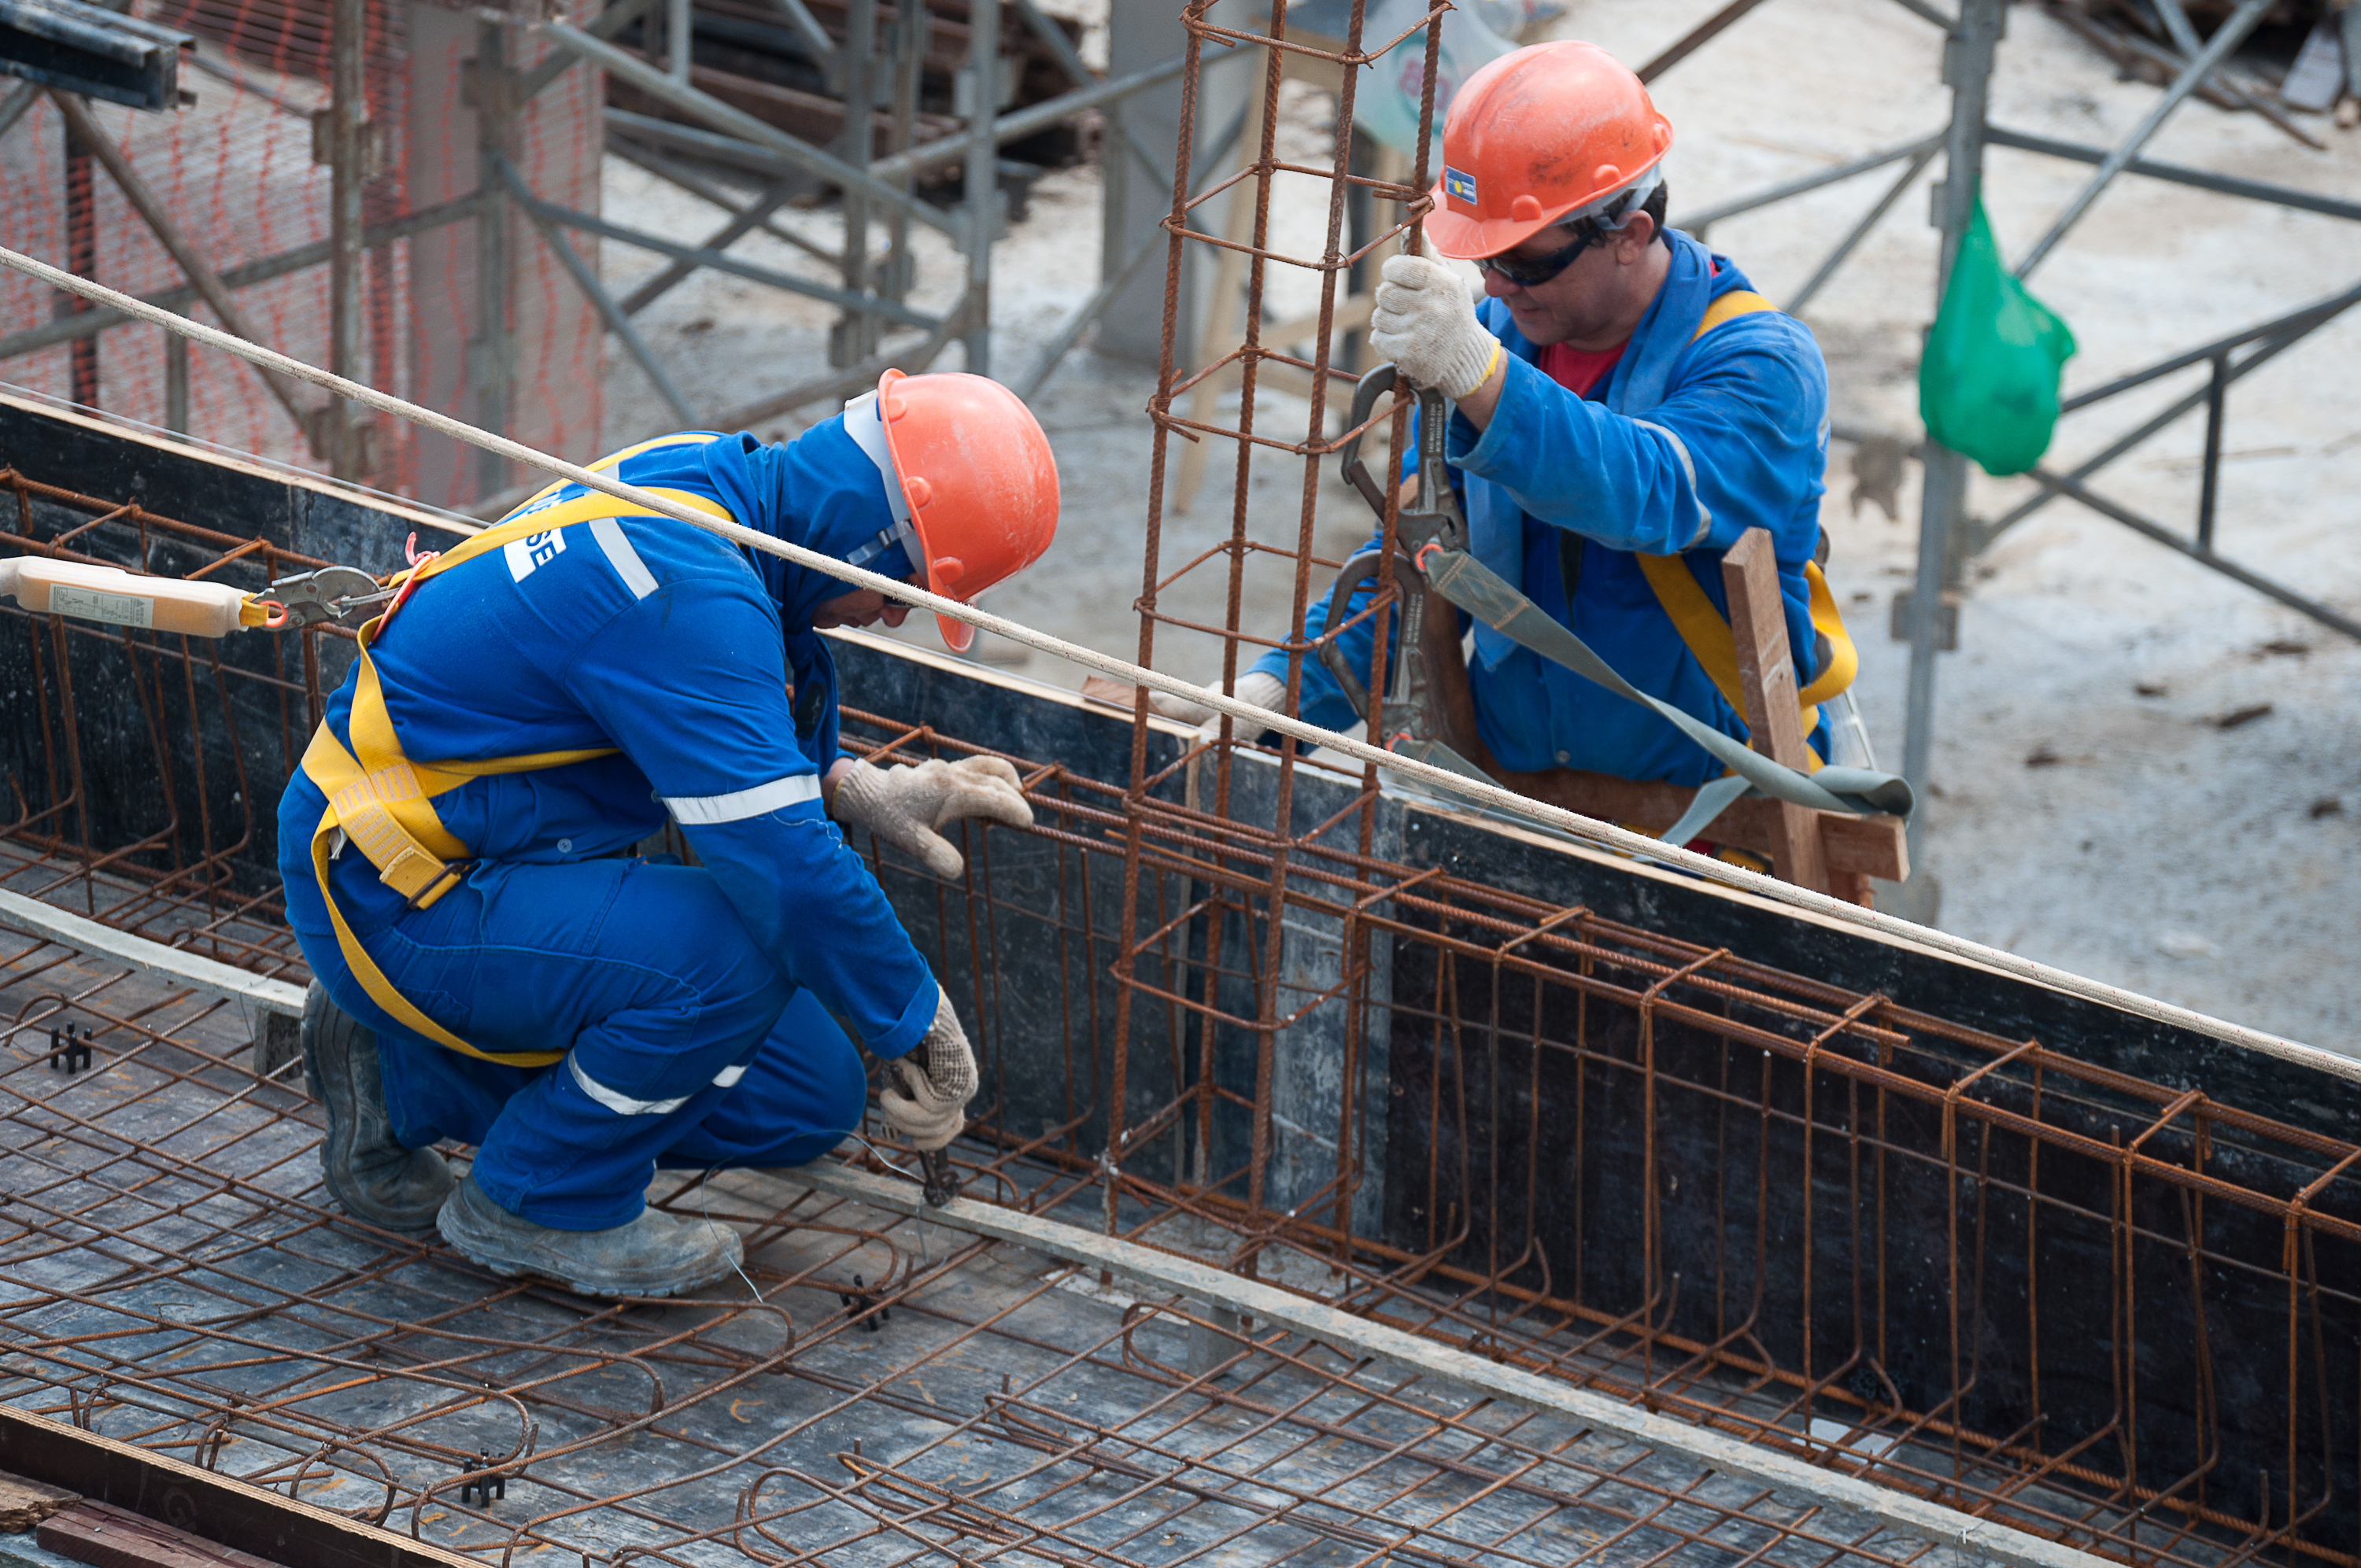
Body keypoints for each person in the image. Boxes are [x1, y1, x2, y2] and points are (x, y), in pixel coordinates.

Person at [277, 371, 1058, 1298]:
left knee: (810, 1092)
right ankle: (537, 1197)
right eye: (897, 598)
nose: (886, 618)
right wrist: (917, 1018)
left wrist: (843, 782)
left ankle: (395, 1075)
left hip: (499, 849)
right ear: (869, 543)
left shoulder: (707, 479)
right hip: (397, 886)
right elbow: (790, 874)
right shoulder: (681, 584)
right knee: (742, 950)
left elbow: (694, 698)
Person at [1177, 42, 1859, 792]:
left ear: (1629, 236)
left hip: (1715, 822)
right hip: (1522, 803)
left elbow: (1644, 490)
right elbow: (1418, 559)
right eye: (1485, 259)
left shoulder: (1761, 366)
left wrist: (1480, 375)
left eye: (1527, 262)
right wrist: (1281, 694)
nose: (1498, 286)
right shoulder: (1507, 340)